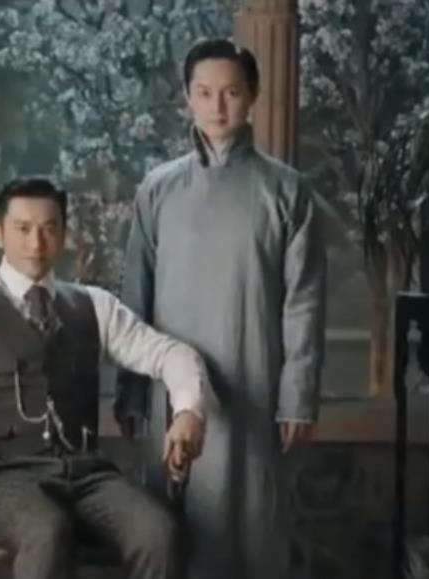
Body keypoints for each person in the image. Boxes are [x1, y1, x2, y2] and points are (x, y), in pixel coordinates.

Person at [0, 177, 210, 579]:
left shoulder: (94, 306)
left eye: (49, 229)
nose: (36, 244)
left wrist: (188, 411)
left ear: (63, 233)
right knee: (46, 531)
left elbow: (173, 355)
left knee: (158, 533)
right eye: (22, 229)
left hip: (87, 477)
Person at [115, 38, 327, 579]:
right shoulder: (158, 189)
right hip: (170, 393)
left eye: (231, 92)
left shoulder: (287, 191)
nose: (218, 106)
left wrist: (297, 398)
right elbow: (135, 296)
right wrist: (131, 391)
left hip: (254, 382)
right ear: (186, 96)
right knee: (169, 530)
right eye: (205, 92)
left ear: (252, 95)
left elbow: (304, 303)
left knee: (252, 527)